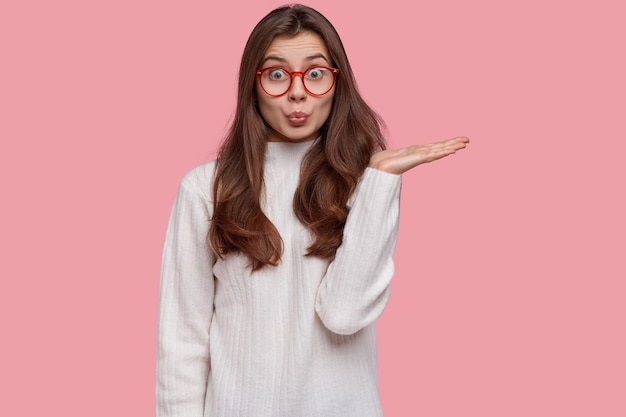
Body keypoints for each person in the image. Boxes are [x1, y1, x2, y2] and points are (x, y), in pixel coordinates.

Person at [156, 4, 468, 417]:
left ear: (338, 83)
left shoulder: (367, 183)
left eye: (316, 73)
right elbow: (182, 342)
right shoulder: (205, 189)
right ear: (254, 83)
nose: (298, 92)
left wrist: (379, 181)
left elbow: (344, 314)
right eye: (277, 74)